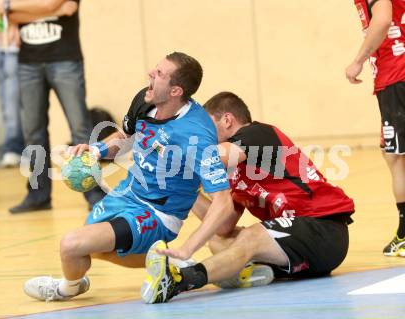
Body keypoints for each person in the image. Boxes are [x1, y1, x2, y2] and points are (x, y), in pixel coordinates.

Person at [21, 52, 234, 302]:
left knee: (71, 244)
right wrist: (96, 150)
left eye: (160, 74)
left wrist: (189, 245)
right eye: (156, 69)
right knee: (92, 251)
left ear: (176, 91)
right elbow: (126, 136)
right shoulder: (146, 99)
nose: (151, 74)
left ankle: (66, 288)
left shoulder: (195, 134)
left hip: (158, 214)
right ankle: (179, 265)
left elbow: (223, 202)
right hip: (128, 193)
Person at [141, 92, 355, 304]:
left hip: (324, 229)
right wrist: (187, 190)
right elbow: (223, 224)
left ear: (227, 120)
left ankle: (180, 280)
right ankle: (243, 274)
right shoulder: (234, 171)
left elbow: (209, 156)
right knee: (218, 240)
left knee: (251, 236)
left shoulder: (258, 133)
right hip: (294, 251)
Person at [0, 0, 106, 212]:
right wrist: (45, 10)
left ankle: (95, 193)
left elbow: (56, 5)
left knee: (80, 128)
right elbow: (1, 16)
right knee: (33, 133)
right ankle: (38, 195)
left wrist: (15, 8)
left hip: (65, 60)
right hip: (27, 63)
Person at [345, 0, 405, 257]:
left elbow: (382, 20)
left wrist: (358, 60)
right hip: (396, 77)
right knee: (392, 154)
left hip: (397, 78)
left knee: (396, 157)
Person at [0, 19, 24, 167]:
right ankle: (14, 146)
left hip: (14, 48)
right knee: (6, 102)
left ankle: (14, 147)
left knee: (13, 103)